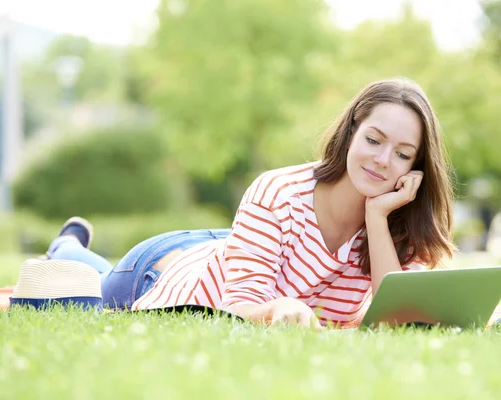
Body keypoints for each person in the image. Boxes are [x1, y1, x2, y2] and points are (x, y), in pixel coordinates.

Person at [45, 77, 456, 329]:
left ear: (416, 167)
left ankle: (73, 246)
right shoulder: (278, 192)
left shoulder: (395, 219)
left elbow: (397, 316)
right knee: (88, 284)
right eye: (374, 140)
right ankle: (68, 246)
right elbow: (238, 307)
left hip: (234, 247)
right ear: (352, 130)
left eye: (402, 154)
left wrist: (378, 216)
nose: (383, 161)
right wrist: (281, 306)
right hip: (164, 272)